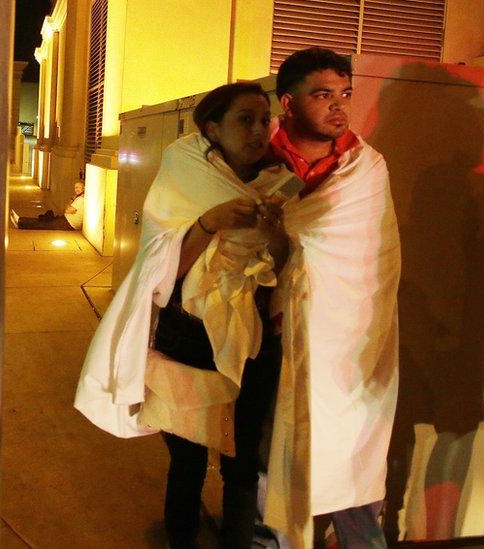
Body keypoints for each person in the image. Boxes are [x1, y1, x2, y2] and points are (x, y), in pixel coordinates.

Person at [74, 82, 291, 548]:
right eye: (245, 119)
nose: (259, 129)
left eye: (264, 118)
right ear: (213, 126)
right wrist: (210, 222)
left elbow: (284, 261)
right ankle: (181, 539)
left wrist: (271, 231)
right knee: (188, 452)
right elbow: (164, 269)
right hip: (188, 331)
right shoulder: (184, 166)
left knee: (243, 456)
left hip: (251, 330)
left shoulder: (280, 178)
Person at [261, 47, 401, 548]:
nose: (339, 106)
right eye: (323, 95)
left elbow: (372, 259)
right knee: (274, 452)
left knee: (352, 450)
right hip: (272, 333)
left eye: (344, 94)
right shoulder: (258, 160)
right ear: (288, 104)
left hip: (350, 337)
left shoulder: (366, 167)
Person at [15, 181, 85, 230]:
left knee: (44, 224)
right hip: (66, 219)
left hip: (69, 224)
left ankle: (20, 222)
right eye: (75, 187)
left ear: (84, 188)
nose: (76, 189)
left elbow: (67, 210)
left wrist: (71, 201)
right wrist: (72, 201)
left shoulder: (81, 199)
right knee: (45, 220)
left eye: (79, 187)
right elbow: (67, 209)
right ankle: (20, 220)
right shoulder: (79, 197)